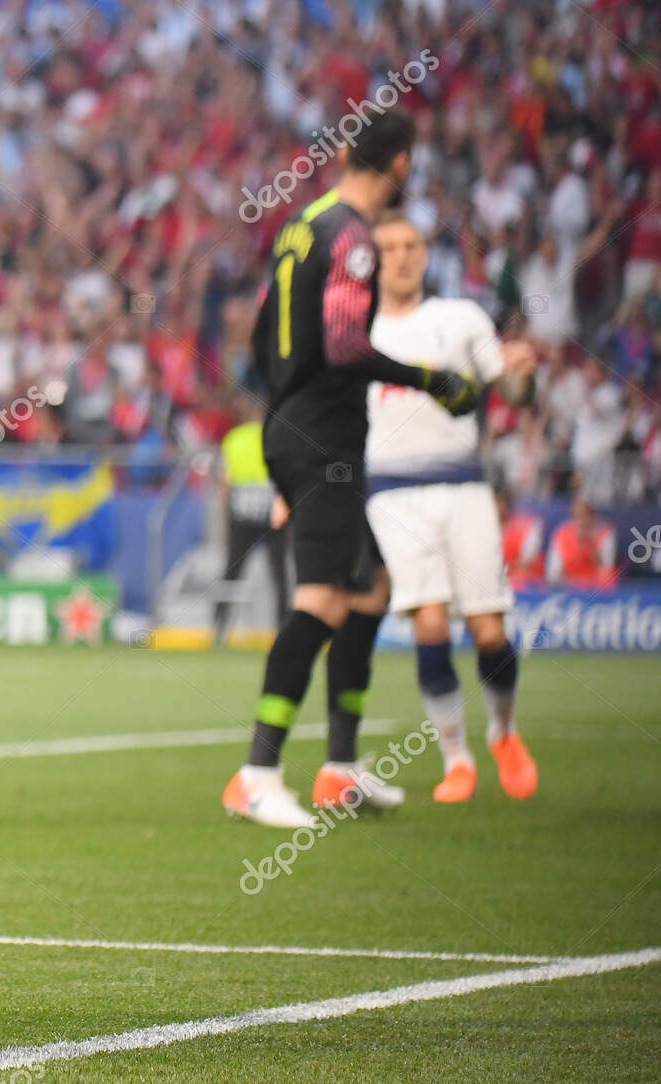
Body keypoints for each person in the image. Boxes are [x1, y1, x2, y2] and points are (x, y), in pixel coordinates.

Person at [223, 108, 483, 829]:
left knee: (370, 588)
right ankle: (258, 772)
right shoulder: (353, 240)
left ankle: (340, 768)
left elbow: (255, 335)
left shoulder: (302, 224)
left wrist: (281, 417)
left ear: (347, 155)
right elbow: (344, 346)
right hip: (326, 437)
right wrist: (432, 378)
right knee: (324, 602)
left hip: (294, 426)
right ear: (400, 165)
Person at [363, 212, 538, 804]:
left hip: (463, 483)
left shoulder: (459, 318)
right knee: (430, 623)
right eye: (388, 247)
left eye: (411, 245)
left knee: (490, 630)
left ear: (424, 252)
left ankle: (505, 733)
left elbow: (510, 389)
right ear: (372, 257)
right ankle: (455, 757)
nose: (402, 256)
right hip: (391, 490)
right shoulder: (356, 332)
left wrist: (522, 377)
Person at [212, 400, 288, 647]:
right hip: (271, 515)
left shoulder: (234, 439)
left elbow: (225, 483)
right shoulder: (275, 436)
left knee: (232, 572)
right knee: (279, 575)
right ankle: (283, 630)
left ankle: (219, 628)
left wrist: (224, 520)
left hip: (241, 515)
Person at [546, 496, 618, 588]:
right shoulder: (562, 533)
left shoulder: (605, 533)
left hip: (595, 587)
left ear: (592, 515)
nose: (582, 520)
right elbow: (553, 571)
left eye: (585, 515)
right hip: (568, 585)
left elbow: (606, 567)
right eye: (577, 515)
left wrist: (590, 543)